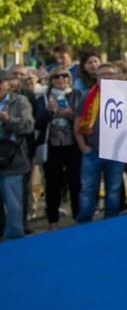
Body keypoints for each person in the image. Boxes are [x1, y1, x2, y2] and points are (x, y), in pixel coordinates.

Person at [74, 61, 126, 222]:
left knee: (113, 189)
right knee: (88, 189)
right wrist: (83, 147)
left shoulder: (126, 95)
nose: (107, 77)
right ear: (96, 78)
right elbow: (77, 124)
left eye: (110, 74)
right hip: (92, 151)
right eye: (103, 74)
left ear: (117, 76)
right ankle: (84, 221)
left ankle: (111, 220)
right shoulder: (87, 96)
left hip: (115, 153)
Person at [34, 66, 83, 229]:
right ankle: (53, 221)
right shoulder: (43, 98)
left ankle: (78, 217)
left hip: (73, 146)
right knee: (52, 185)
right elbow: (38, 124)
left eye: (65, 76)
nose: (61, 79)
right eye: (56, 77)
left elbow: (84, 119)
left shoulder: (77, 95)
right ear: (51, 80)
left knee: (75, 183)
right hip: (52, 147)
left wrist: (70, 114)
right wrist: (48, 112)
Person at [0, 69, 35, 239]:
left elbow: (28, 126)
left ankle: (14, 242)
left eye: (0, 82)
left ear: (7, 84)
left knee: (14, 207)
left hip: (12, 160)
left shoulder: (20, 101)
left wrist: (8, 120)